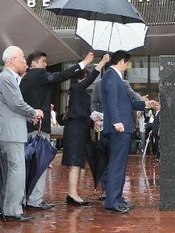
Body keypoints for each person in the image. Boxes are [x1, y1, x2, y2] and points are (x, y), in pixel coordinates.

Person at [20, 50, 94, 210]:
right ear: (34, 63)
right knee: (40, 164)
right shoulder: (39, 75)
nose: (46, 65)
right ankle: (35, 200)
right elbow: (61, 76)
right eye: (43, 62)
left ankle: (26, 198)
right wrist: (83, 63)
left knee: (28, 165)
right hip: (39, 127)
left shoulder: (25, 79)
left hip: (27, 126)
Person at [101, 50, 157, 214]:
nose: (128, 66)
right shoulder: (111, 76)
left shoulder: (116, 77)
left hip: (122, 126)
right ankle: (112, 202)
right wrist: (117, 121)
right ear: (121, 61)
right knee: (117, 165)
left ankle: (117, 198)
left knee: (119, 165)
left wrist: (146, 105)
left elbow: (126, 103)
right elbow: (111, 101)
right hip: (119, 128)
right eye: (127, 62)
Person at [0, 46, 43, 222]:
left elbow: (10, 107)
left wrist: (28, 118)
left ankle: (7, 208)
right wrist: (34, 112)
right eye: (22, 57)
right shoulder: (6, 78)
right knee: (16, 171)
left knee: (10, 172)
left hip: (10, 131)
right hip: (11, 133)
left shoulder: (8, 78)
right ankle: (12, 210)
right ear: (12, 60)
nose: (24, 61)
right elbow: (16, 104)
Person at [62, 54, 110, 206]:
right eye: (86, 78)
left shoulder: (81, 93)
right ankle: (72, 194)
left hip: (81, 130)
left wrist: (92, 120)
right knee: (75, 163)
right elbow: (90, 80)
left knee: (79, 163)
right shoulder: (76, 88)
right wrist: (101, 63)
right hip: (75, 131)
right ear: (80, 78)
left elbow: (83, 113)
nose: (88, 82)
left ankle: (74, 193)